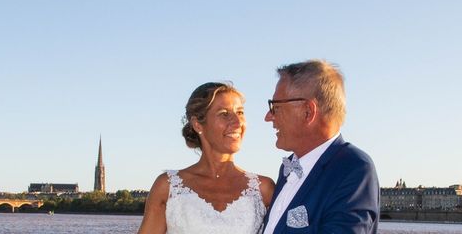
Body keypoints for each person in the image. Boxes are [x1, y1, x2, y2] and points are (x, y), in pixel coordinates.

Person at [138, 82, 275, 234]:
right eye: (224, 114)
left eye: (240, 112)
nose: (237, 122)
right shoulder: (167, 186)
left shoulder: (264, 189)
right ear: (197, 124)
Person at [263, 60, 379, 233]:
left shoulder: (352, 168)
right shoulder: (286, 169)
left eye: (276, 107)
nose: (268, 117)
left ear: (308, 111)